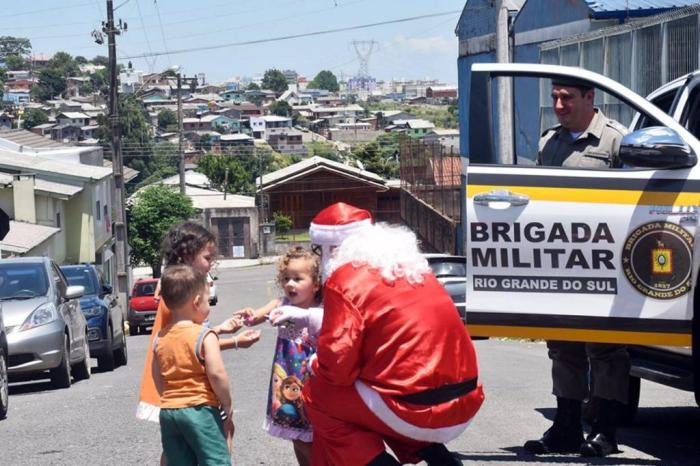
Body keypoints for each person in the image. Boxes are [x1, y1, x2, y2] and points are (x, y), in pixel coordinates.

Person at [278, 202, 484, 466]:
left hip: (414, 409)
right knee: (368, 399)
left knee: (318, 394)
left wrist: (314, 363)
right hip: (465, 397)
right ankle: (440, 459)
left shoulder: (346, 279)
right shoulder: (412, 267)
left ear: (333, 248)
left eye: (320, 251)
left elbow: (337, 368)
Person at [524, 77, 630, 458]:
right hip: (562, 262)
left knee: (604, 348)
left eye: (567, 97)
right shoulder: (548, 142)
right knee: (562, 344)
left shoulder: (618, 140)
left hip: (605, 260)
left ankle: (605, 431)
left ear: (590, 97)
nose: (558, 105)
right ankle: (566, 427)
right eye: (554, 97)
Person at [136, 222, 261, 464]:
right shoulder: (177, 297)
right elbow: (191, 346)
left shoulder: (174, 293)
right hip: (194, 399)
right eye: (207, 257)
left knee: (178, 454)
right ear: (188, 255)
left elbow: (182, 341)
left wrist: (225, 335)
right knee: (213, 448)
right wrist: (227, 401)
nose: (212, 262)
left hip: (172, 399)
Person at [237, 247, 322, 466]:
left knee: (313, 434)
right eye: (286, 279)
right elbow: (256, 316)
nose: (290, 284)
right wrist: (249, 315)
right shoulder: (280, 304)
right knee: (294, 433)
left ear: (316, 283)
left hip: (312, 380)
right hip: (285, 378)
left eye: (297, 278)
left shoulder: (320, 309)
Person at [151, 264, 233, 466]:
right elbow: (217, 374)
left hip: (169, 412)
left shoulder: (160, 338)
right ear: (197, 301)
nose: (208, 305)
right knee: (215, 460)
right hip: (200, 409)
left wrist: (170, 398)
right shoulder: (204, 335)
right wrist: (226, 402)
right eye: (207, 300)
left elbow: (157, 376)